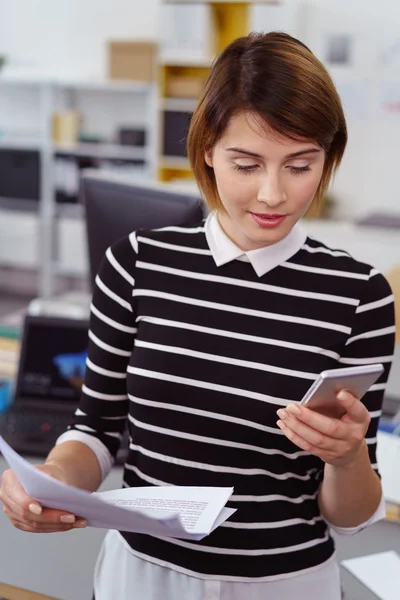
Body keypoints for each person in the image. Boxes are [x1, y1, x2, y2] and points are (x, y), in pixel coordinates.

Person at [0, 32, 396, 600]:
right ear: (208, 148)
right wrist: (55, 484)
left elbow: (351, 515)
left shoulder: (358, 295)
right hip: (139, 580)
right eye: (247, 163)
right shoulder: (137, 263)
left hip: (284, 585)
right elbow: (95, 429)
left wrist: (348, 455)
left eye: (300, 166)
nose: (272, 193)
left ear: (327, 159)